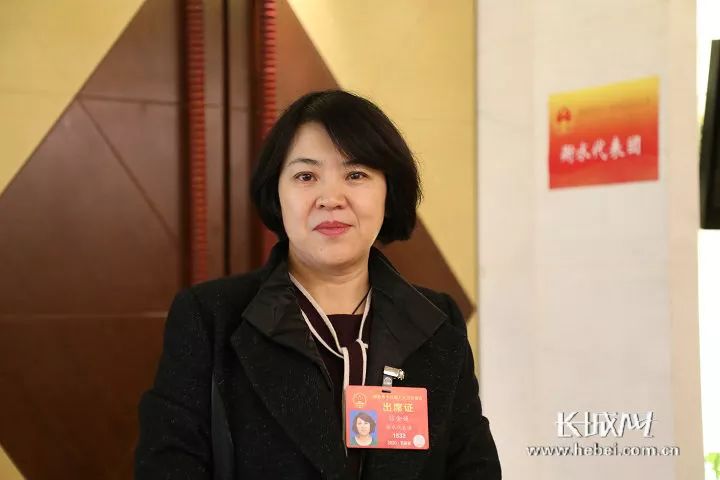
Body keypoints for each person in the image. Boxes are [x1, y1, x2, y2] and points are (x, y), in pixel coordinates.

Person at [134, 90, 501, 480]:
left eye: (356, 175)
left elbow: (473, 468)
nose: (331, 199)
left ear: (388, 192)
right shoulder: (210, 317)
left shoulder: (438, 323)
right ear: (277, 193)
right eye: (306, 176)